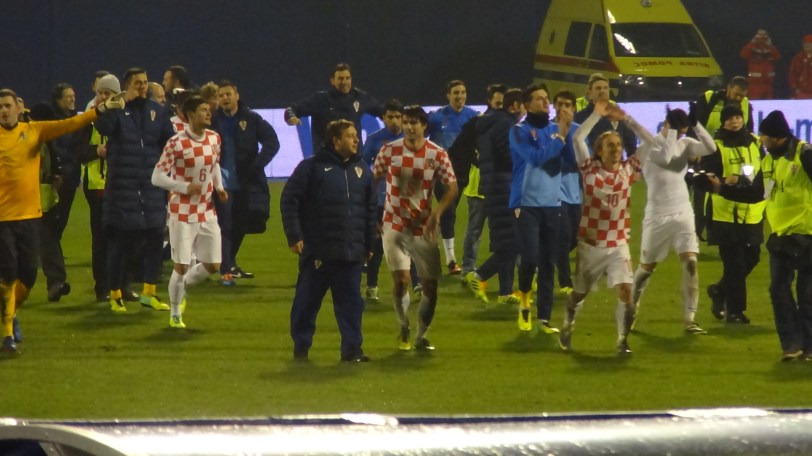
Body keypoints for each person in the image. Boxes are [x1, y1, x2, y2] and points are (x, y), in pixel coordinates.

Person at [0, 87, 123, 352]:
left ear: (18, 109)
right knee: (8, 273)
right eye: (0, 107)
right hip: (3, 219)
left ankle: (10, 312)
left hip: (30, 217)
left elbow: (70, 124)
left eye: (8, 105)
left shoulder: (34, 131)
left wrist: (99, 110)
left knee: (29, 277)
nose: (4, 110)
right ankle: (7, 332)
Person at [711, 111, 812, 360]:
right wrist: (720, 188)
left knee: (807, 295)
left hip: (808, 235)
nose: (760, 140)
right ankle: (791, 345)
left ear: (777, 137)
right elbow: (756, 193)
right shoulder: (768, 161)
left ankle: (809, 346)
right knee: (778, 290)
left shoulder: (805, 155)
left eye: (764, 136)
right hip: (781, 236)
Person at [559, 99, 651, 354]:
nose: (616, 149)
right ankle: (569, 321)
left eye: (619, 145)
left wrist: (627, 119)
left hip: (618, 243)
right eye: (610, 145)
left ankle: (622, 340)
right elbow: (578, 139)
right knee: (579, 294)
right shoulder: (589, 169)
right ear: (599, 150)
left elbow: (652, 143)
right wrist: (595, 116)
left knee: (627, 294)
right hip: (591, 244)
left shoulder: (628, 169)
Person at [281, 119, 376, 362]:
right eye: (350, 136)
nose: (356, 140)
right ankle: (301, 348)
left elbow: (370, 210)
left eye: (356, 135)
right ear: (335, 141)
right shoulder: (311, 168)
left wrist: (369, 245)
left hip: (351, 252)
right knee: (306, 304)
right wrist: (295, 235)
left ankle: (352, 350)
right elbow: (289, 200)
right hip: (319, 252)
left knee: (352, 306)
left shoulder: (363, 170)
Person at [373, 105, 458, 351]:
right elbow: (373, 180)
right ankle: (403, 327)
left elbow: (452, 186)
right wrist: (373, 214)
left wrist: (437, 214)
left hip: (423, 226)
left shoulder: (437, 153)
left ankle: (422, 334)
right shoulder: (389, 150)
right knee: (402, 281)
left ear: (424, 126)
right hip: (394, 222)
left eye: (414, 123)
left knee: (431, 287)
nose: (409, 127)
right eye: (406, 122)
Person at [95, 67, 175, 313]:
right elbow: (102, 127)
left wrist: (167, 174)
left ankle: (149, 293)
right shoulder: (117, 109)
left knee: (153, 239)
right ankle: (115, 293)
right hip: (123, 186)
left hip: (150, 186)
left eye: (144, 82)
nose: (142, 87)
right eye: (137, 83)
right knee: (121, 242)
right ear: (127, 86)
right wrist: (118, 101)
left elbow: (169, 143)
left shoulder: (157, 111)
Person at [630, 108, 716, 335]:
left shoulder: (685, 142)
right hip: (657, 215)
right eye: (678, 129)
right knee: (646, 269)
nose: (680, 134)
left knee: (691, 263)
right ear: (666, 124)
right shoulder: (650, 145)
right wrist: (671, 133)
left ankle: (690, 318)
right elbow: (666, 157)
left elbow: (710, 148)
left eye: (683, 130)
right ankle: (632, 303)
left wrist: (697, 126)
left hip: (682, 211)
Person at [152, 96, 227, 328]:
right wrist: (184, 187)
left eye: (208, 109)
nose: (209, 113)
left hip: (207, 210)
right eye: (204, 110)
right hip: (182, 212)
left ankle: (180, 288)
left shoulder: (214, 138)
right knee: (181, 266)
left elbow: (214, 164)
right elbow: (157, 177)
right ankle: (175, 312)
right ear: (190, 115)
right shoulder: (176, 143)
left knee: (213, 265)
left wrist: (220, 187)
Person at [510, 83, 576, 333]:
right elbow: (536, 158)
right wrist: (560, 136)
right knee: (530, 257)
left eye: (547, 99)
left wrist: (567, 133)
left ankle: (544, 319)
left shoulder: (555, 129)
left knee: (549, 262)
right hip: (525, 203)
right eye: (539, 99)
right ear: (527, 105)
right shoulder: (518, 131)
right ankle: (524, 299)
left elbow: (570, 161)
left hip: (552, 204)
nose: (545, 103)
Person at [703, 104, 765, 324]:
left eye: (738, 117)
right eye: (729, 118)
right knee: (734, 264)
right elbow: (706, 179)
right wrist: (723, 181)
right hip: (725, 214)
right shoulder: (715, 146)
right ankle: (735, 312)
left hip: (753, 212)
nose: (734, 121)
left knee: (752, 258)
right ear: (722, 122)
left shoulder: (756, 142)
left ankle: (719, 290)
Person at [213, 80, 280, 283]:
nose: (225, 98)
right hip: (220, 181)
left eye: (228, 94)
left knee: (242, 223)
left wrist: (257, 165)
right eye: (221, 95)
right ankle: (225, 268)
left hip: (245, 180)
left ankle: (229, 262)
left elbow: (272, 141)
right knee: (224, 224)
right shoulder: (213, 120)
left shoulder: (251, 118)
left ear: (237, 95)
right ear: (217, 99)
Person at [464, 88, 524, 305]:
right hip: (504, 188)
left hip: (493, 185)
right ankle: (479, 276)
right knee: (515, 242)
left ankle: (505, 292)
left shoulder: (489, 123)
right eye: (523, 105)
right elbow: (510, 157)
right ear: (516, 106)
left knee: (505, 242)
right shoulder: (506, 125)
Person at [450, 83, 507, 280]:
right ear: (490, 102)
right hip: (478, 186)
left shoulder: (510, 124)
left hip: (502, 187)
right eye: (497, 102)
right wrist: (476, 159)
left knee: (504, 234)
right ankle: (468, 270)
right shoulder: (478, 123)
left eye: (503, 103)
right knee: (474, 230)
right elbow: (459, 149)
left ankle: (506, 275)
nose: (500, 106)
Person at [427, 80, 479, 275]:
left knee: (449, 212)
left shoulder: (473, 116)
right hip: (441, 172)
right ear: (448, 95)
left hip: (463, 172)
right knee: (449, 212)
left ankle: (437, 248)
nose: (460, 96)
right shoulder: (436, 118)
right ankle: (450, 260)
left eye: (463, 92)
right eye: (456, 93)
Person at [360, 99, 410, 302]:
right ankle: (372, 287)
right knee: (377, 247)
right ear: (383, 118)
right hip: (381, 201)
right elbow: (363, 167)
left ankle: (414, 286)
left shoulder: (411, 138)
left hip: (406, 202)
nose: (395, 121)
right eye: (390, 117)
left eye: (398, 116)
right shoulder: (375, 140)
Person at [284, 63, 383, 158]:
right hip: (327, 158)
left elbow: (382, 112)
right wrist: (291, 116)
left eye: (347, 78)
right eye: (340, 78)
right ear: (332, 81)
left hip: (353, 158)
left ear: (351, 79)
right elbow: (293, 108)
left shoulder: (360, 97)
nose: (344, 82)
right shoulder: (321, 99)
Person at [554, 90, 582, 296]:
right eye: (559, 104)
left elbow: (580, 161)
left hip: (575, 193)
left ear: (573, 108)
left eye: (567, 105)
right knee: (563, 237)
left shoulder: (579, 131)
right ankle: (565, 282)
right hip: (554, 193)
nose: (562, 108)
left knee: (575, 237)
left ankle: (546, 256)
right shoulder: (547, 130)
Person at [574, 73, 637, 156]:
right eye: (598, 88)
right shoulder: (579, 118)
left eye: (605, 88)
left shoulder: (617, 116)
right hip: (591, 166)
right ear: (590, 93)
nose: (602, 91)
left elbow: (631, 145)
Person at [740, 29, 781, 100]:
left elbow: (777, 57)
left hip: (768, 84)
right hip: (755, 84)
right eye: (759, 35)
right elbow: (743, 55)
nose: (762, 38)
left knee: (768, 105)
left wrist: (770, 46)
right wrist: (752, 43)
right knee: (755, 104)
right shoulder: (752, 47)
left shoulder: (770, 48)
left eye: (764, 35)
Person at [788, 35, 812, 99]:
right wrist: (795, 88)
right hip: (802, 91)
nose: (807, 45)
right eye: (805, 43)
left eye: (809, 43)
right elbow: (792, 74)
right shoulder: (798, 58)